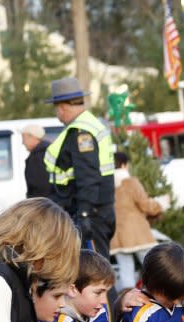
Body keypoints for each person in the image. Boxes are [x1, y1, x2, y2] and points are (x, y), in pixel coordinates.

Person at [44, 77, 116, 257]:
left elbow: (88, 176)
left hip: (91, 214)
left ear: (63, 107)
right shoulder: (89, 124)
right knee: (95, 271)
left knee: (95, 274)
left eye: (56, 109)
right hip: (98, 210)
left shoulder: (80, 132)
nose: (57, 114)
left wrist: (84, 214)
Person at [110, 152, 162, 291]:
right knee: (152, 265)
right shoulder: (130, 182)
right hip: (137, 234)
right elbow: (145, 204)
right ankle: (157, 295)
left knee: (126, 272)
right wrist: (159, 205)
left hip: (117, 235)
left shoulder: (107, 185)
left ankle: (130, 304)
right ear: (124, 165)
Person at [21, 124, 51, 198]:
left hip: (43, 204)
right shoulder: (43, 152)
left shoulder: (39, 156)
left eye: (23, 138)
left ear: (32, 137)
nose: (22, 142)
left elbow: (42, 187)